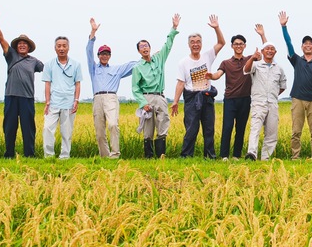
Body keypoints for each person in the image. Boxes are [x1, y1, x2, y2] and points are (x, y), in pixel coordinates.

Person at [0, 9, 44, 159]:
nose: (22, 45)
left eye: (25, 44)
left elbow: (48, 71)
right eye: (20, 43)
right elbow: (1, 38)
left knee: (28, 128)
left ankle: (29, 154)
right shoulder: (11, 55)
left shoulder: (34, 61)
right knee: (10, 126)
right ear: (16, 46)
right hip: (11, 96)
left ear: (29, 47)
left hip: (27, 98)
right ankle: (9, 154)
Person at [172, 15, 225, 158]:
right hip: (191, 98)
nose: (195, 44)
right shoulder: (183, 62)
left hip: (207, 97)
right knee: (191, 129)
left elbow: (221, 42)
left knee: (209, 129)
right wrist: (176, 101)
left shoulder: (207, 56)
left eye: (198, 42)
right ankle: (186, 155)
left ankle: (210, 156)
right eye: (192, 42)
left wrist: (216, 28)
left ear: (201, 44)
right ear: (189, 45)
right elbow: (181, 83)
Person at [86, 18, 139, 159]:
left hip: (111, 98)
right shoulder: (93, 68)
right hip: (97, 98)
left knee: (113, 124)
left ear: (110, 56)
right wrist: (93, 32)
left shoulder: (116, 70)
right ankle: (105, 156)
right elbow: (88, 51)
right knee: (99, 132)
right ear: (98, 56)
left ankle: (115, 154)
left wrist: (151, 56)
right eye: (102, 54)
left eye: (107, 54)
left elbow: (134, 65)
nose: (104, 56)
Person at [278, 12, 312, 159]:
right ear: (302, 47)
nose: (308, 45)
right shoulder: (296, 60)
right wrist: (284, 27)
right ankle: (295, 157)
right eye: (305, 44)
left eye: (310, 44)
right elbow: (288, 43)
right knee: (296, 131)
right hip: (298, 99)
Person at [131, 16, 180, 159]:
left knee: (163, 122)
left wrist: (174, 28)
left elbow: (168, 45)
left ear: (150, 48)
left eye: (146, 46)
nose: (144, 48)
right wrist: (143, 103)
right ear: (139, 51)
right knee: (148, 126)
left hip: (160, 96)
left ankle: (161, 154)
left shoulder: (159, 58)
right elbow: (135, 88)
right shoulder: (138, 67)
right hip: (146, 96)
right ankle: (148, 156)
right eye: (141, 47)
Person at [210, 32, 252, 160]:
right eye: (236, 44)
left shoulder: (249, 60)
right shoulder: (226, 63)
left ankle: (236, 155)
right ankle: (224, 155)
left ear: (244, 46)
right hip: (230, 99)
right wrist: (211, 76)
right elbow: (218, 74)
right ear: (232, 46)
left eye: (241, 44)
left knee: (241, 127)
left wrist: (262, 35)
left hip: (245, 99)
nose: (238, 46)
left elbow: (266, 51)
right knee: (227, 127)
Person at [243, 43, 288, 160]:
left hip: (272, 103)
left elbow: (282, 85)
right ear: (262, 51)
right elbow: (246, 70)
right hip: (258, 103)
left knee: (271, 133)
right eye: (267, 49)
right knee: (255, 129)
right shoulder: (256, 65)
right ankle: (252, 154)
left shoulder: (279, 68)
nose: (270, 51)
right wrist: (252, 58)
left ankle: (265, 158)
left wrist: (273, 94)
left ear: (275, 52)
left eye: (272, 49)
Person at [41, 36, 82, 159]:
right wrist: (47, 102)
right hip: (54, 102)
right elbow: (47, 84)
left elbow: (78, 84)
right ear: (55, 48)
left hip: (69, 102)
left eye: (64, 46)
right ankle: (49, 155)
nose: (61, 48)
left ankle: (65, 156)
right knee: (47, 128)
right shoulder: (49, 64)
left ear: (68, 48)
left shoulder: (76, 64)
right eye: (59, 46)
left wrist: (76, 100)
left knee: (66, 132)